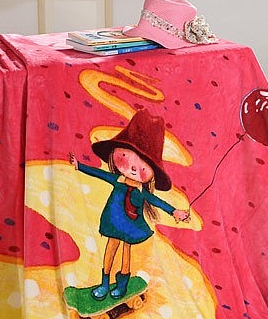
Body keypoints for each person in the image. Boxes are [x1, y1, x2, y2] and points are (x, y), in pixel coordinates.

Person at [69, 109, 189, 301]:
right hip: (112, 221)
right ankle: (104, 284)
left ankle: (122, 285)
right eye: (126, 156)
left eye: (143, 167)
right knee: (110, 248)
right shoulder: (117, 180)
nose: (133, 167)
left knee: (126, 251)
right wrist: (79, 166)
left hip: (131, 226)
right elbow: (99, 174)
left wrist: (174, 211)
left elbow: (156, 201)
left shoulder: (142, 191)